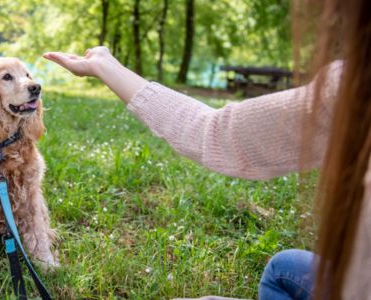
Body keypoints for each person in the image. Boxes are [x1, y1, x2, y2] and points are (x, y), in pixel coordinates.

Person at [43, 0, 370, 299]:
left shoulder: (354, 90)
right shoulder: (348, 89)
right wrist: (105, 65)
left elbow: (212, 133)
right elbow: (217, 131)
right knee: (285, 266)